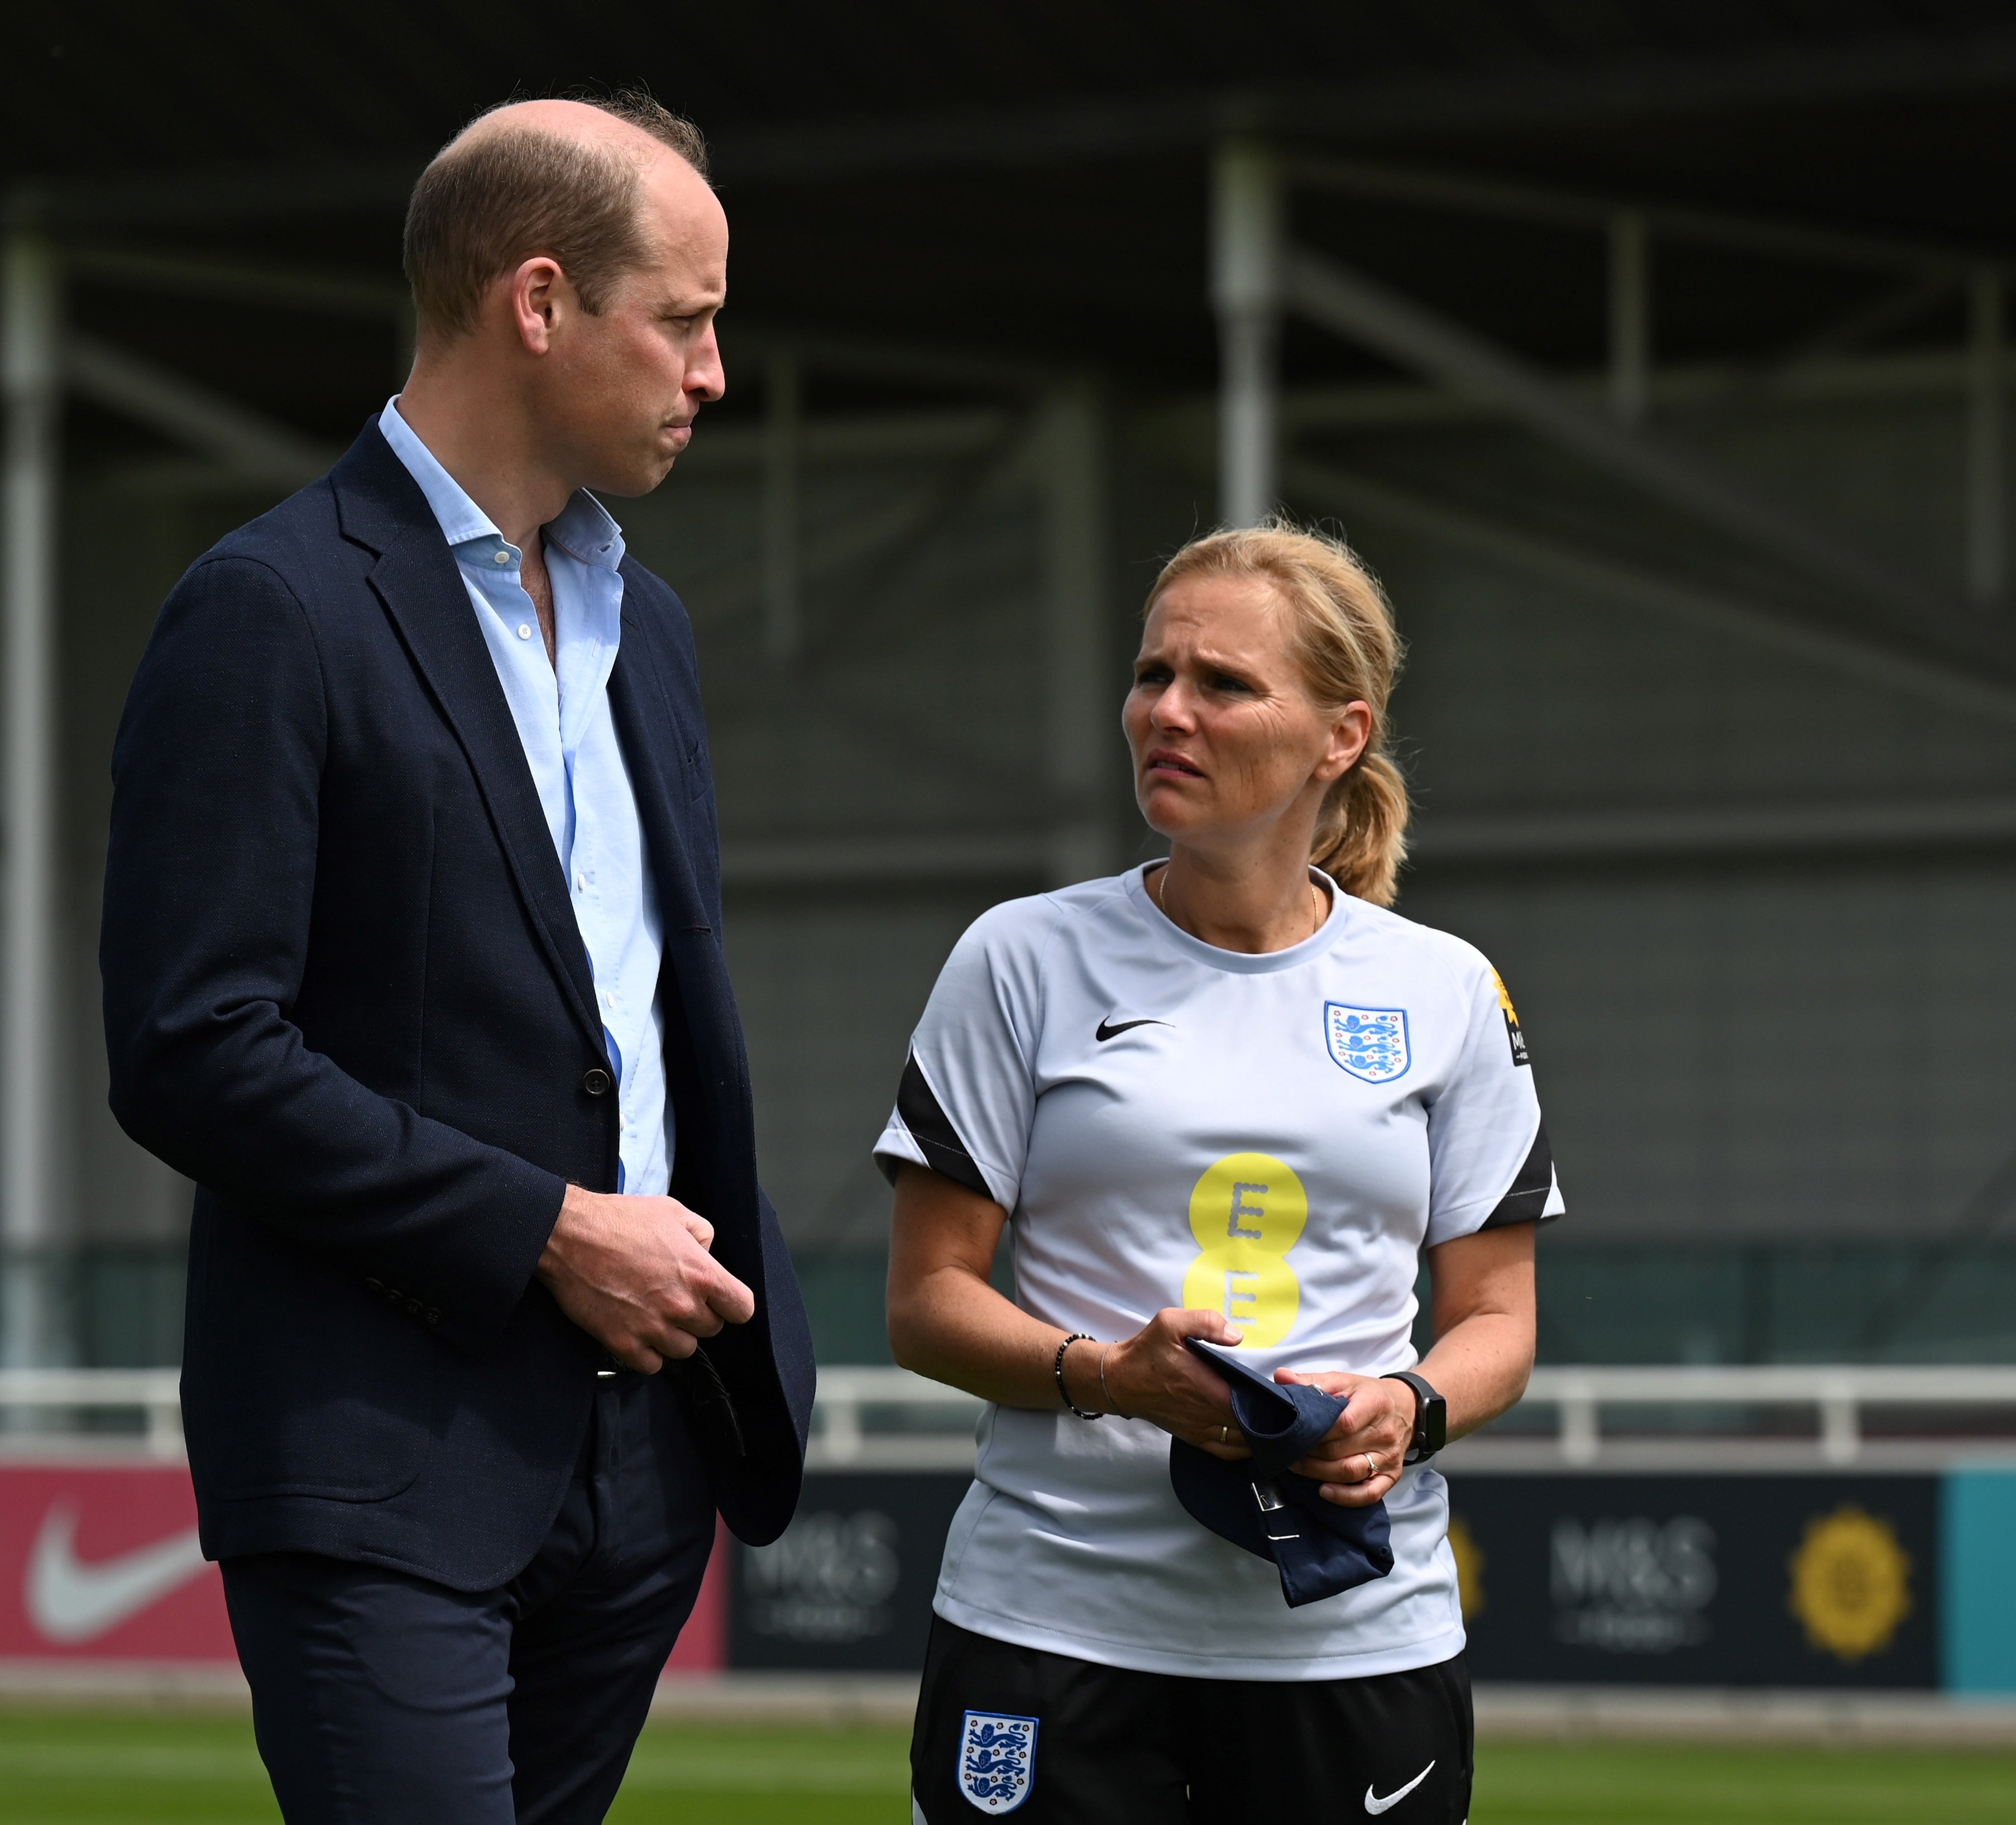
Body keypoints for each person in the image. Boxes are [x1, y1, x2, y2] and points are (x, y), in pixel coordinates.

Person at [98, 94, 813, 1824]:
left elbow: (643, 1019)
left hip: (645, 1458)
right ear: (542, 300)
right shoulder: (269, 606)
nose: (715, 373)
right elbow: (192, 1044)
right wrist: (550, 1229)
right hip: (377, 1451)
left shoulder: (653, 627)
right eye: (689, 318)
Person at [879, 523, 1557, 1823]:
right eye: (1151, 674)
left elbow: (1500, 1319)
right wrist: (1104, 1374)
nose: (1165, 711)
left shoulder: (1447, 987)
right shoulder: (1016, 957)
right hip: (1050, 1614)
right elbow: (924, 1299)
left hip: (1351, 1635)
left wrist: (1404, 1409)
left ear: (1340, 733)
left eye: (1223, 684)